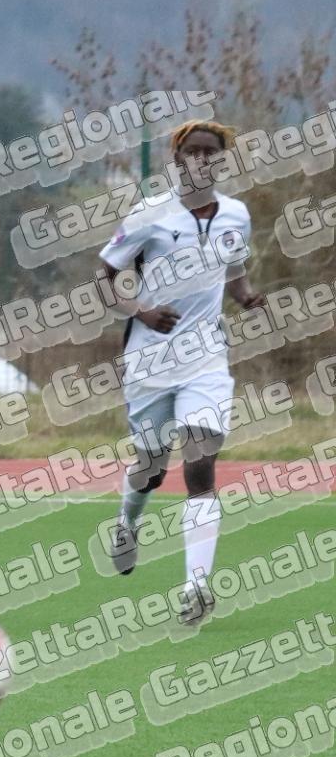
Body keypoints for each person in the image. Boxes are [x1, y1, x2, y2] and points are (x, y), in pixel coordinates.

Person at [99, 118, 266, 625]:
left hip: (207, 359)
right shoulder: (150, 214)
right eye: (192, 151)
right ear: (177, 159)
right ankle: (127, 523)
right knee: (151, 468)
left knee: (199, 467)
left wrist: (244, 296)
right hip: (149, 360)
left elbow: (233, 265)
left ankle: (196, 586)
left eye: (211, 151)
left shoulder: (236, 215)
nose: (201, 158)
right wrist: (142, 312)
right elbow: (105, 277)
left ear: (221, 159)